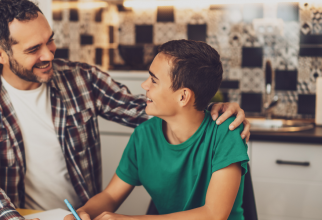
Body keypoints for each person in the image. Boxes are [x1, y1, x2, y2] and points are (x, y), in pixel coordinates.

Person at [0, 1, 251, 220]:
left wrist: (209, 104)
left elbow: (154, 109)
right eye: (33, 50)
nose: (48, 54)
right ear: (0, 54)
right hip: (22, 215)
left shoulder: (80, 77)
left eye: (50, 40)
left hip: (80, 213)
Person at [64, 40, 249, 220]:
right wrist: (83, 213)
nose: (144, 85)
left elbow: (214, 215)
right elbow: (111, 196)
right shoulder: (143, 136)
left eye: (153, 80)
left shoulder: (226, 131)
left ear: (183, 96)